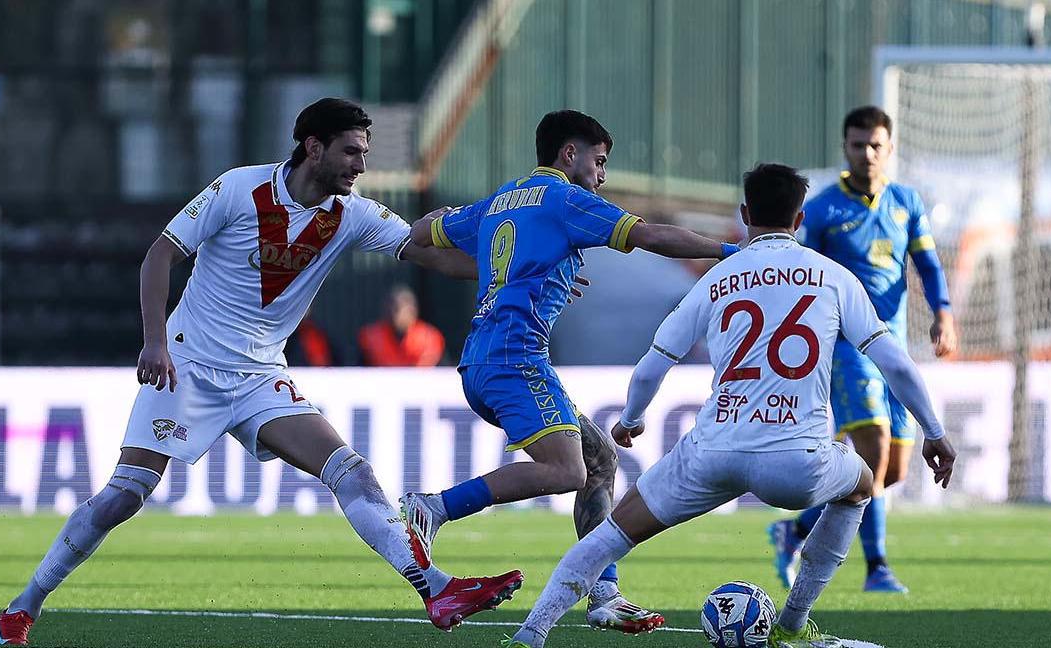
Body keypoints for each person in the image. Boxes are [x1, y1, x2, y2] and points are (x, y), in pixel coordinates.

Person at [0, 98, 523, 646]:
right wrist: (154, 341)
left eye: (363, 153)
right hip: (188, 366)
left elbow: (429, 253)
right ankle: (22, 607)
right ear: (313, 147)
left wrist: (515, 272)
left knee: (352, 472)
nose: (361, 165)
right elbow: (159, 256)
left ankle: (437, 589)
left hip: (261, 376)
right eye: (351, 152)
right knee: (124, 496)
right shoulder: (238, 188)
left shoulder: (353, 214)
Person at [503, 163, 957, 648]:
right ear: (799, 219)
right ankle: (792, 623)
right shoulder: (833, 277)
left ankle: (531, 633)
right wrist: (933, 431)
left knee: (610, 535)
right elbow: (897, 365)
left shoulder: (718, 278)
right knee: (861, 485)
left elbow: (654, 364)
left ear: (744, 214)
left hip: (713, 452)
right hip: (796, 463)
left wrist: (631, 419)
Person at [400, 109, 740, 633]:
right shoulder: (565, 199)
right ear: (569, 154)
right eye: (598, 161)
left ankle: (604, 595)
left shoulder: (500, 199)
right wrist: (730, 251)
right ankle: (434, 507)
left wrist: (519, 271)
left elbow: (420, 238)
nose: (601, 175)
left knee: (600, 459)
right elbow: (649, 235)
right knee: (569, 471)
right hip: (516, 358)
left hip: (483, 358)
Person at [768, 106, 958, 594]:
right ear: (845, 148)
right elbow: (802, 273)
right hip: (847, 347)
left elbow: (928, 265)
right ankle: (877, 568)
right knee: (872, 450)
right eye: (858, 145)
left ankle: (795, 529)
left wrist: (943, 312)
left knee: (889, 472)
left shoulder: (906, 202)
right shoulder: (824, 209)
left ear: (889, 148)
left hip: (892, 346)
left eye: (876, 145)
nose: (867, 154)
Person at [358, 284, 445, 366]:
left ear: (413, 311)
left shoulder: (429, 338)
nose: (393, 313)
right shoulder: (372, 337)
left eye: (398, 308)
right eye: (391, 307)